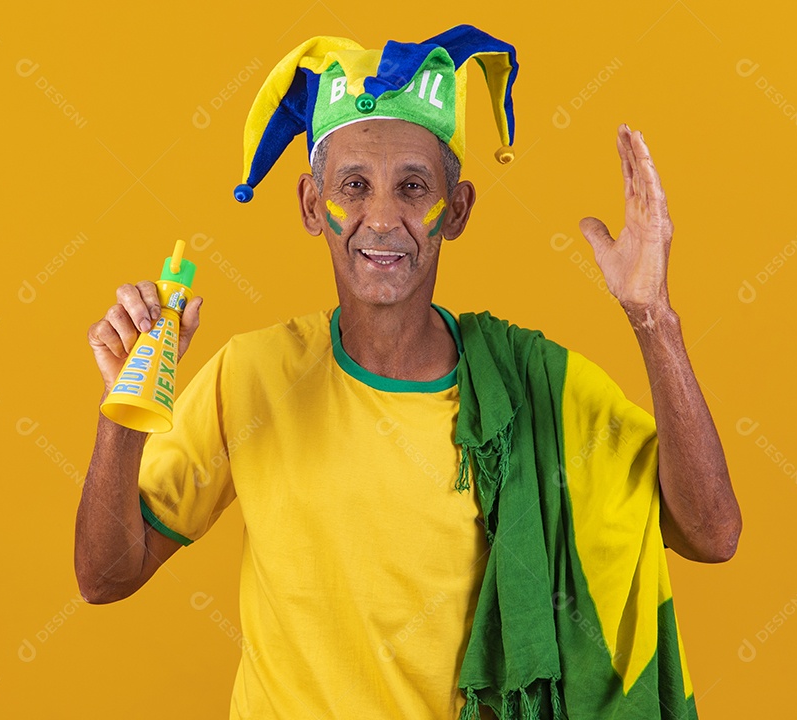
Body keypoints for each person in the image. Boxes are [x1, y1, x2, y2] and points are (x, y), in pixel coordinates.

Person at [75, 25, 740, 720]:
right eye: (354, 186)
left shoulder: (532, 388)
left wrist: (652, 318)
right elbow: (104, 575)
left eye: (413, 187)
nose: (383, 218)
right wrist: (123, 407)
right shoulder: (251, 375)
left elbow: (711, 533)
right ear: (311, 205)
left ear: (456, 211)